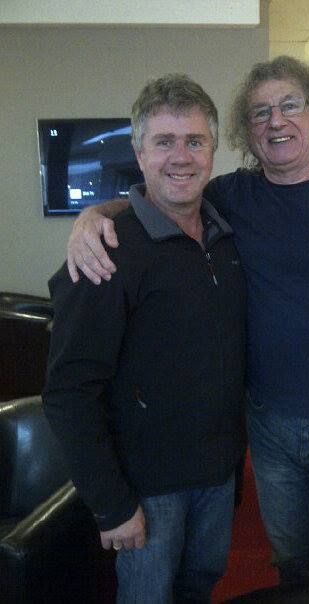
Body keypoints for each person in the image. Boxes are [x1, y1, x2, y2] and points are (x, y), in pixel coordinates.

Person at [65, 56, 309, 584]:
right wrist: (92, 216)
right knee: (294, 567)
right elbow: (166, 195)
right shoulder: (231, 196)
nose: (275, 121)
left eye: (290, 105)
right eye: (260, 112)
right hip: (269, 429)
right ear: (247, 129)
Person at [42, 74, 247, 604]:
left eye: (194, 141)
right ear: (139, 153)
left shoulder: (227, 235)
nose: (181, 157)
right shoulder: (104, 254)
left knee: (199, 587)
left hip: (218, 474)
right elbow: (68, 392)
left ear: (212, 149)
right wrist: (111, 504)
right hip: (146, 490)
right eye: (164, 142)